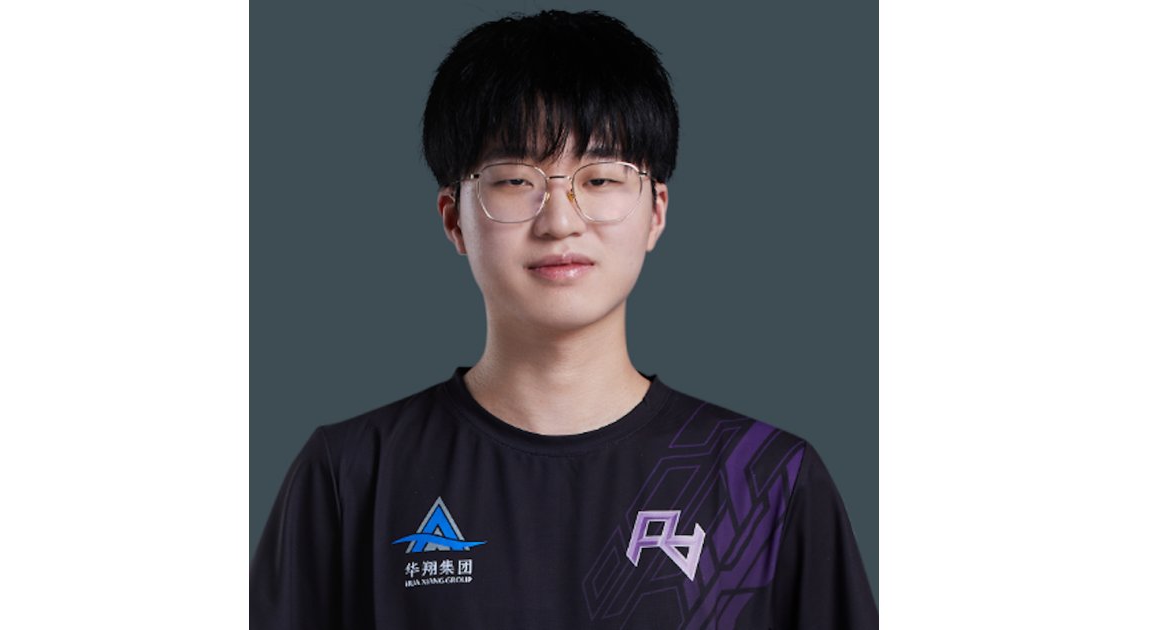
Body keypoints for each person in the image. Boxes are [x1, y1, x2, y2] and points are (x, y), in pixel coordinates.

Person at [250, 10, 877, 629]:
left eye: (600, 178)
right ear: (454, 218)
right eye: (514, 180)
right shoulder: (351, 474)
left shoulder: (767, 478)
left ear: (656, 211)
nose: (559, 220)